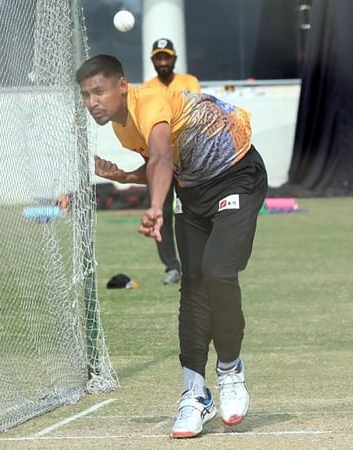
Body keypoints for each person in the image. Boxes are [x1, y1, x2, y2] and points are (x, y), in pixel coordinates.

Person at [77, 55, 266, 438]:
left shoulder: (150, 103)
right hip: (192, 192)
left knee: (218, 273)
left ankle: (230, 370)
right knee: (193, 287)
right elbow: (162, 166)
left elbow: (162, 157)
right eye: (85, 95)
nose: (92, 101)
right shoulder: (122, 129)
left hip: (236, 175)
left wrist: (153, 208)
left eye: (99, 91)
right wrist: (123, 176)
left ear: (122, 86)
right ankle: (195, 394)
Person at [141, 38, 201, 285]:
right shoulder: (146, 88)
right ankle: (172, 266)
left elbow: (193, 114)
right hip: (159, 158)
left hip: (188, 157)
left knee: (192, 212)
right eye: (158, 58)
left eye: (166, 57)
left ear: (174, 58)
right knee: (161, 212)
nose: (163, 62)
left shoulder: (189, 82)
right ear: (153, 60)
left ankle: (195, 266)